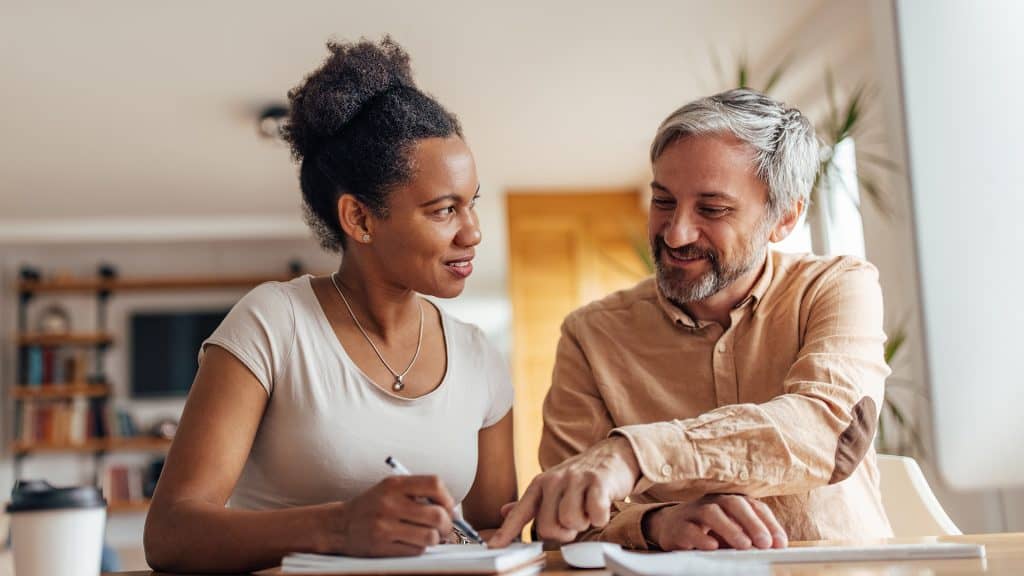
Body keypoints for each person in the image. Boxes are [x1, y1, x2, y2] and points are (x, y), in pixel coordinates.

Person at [144, 37, 516, 573]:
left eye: (472, 203)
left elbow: (490, 534)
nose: (473, 232)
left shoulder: (480, 357)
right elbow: (170, 534)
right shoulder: (272, 324)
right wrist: (341, 527)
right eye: (443, 210)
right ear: (359, 219)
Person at [490, 89, 892, 551]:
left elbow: (831, 431)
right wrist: (655, 525)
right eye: (663, 201)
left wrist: (635, 454)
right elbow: (565, 525)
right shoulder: (591, 335)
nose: (676, 233)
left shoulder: (836, 286)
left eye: (712, 209)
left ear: (785, 217)